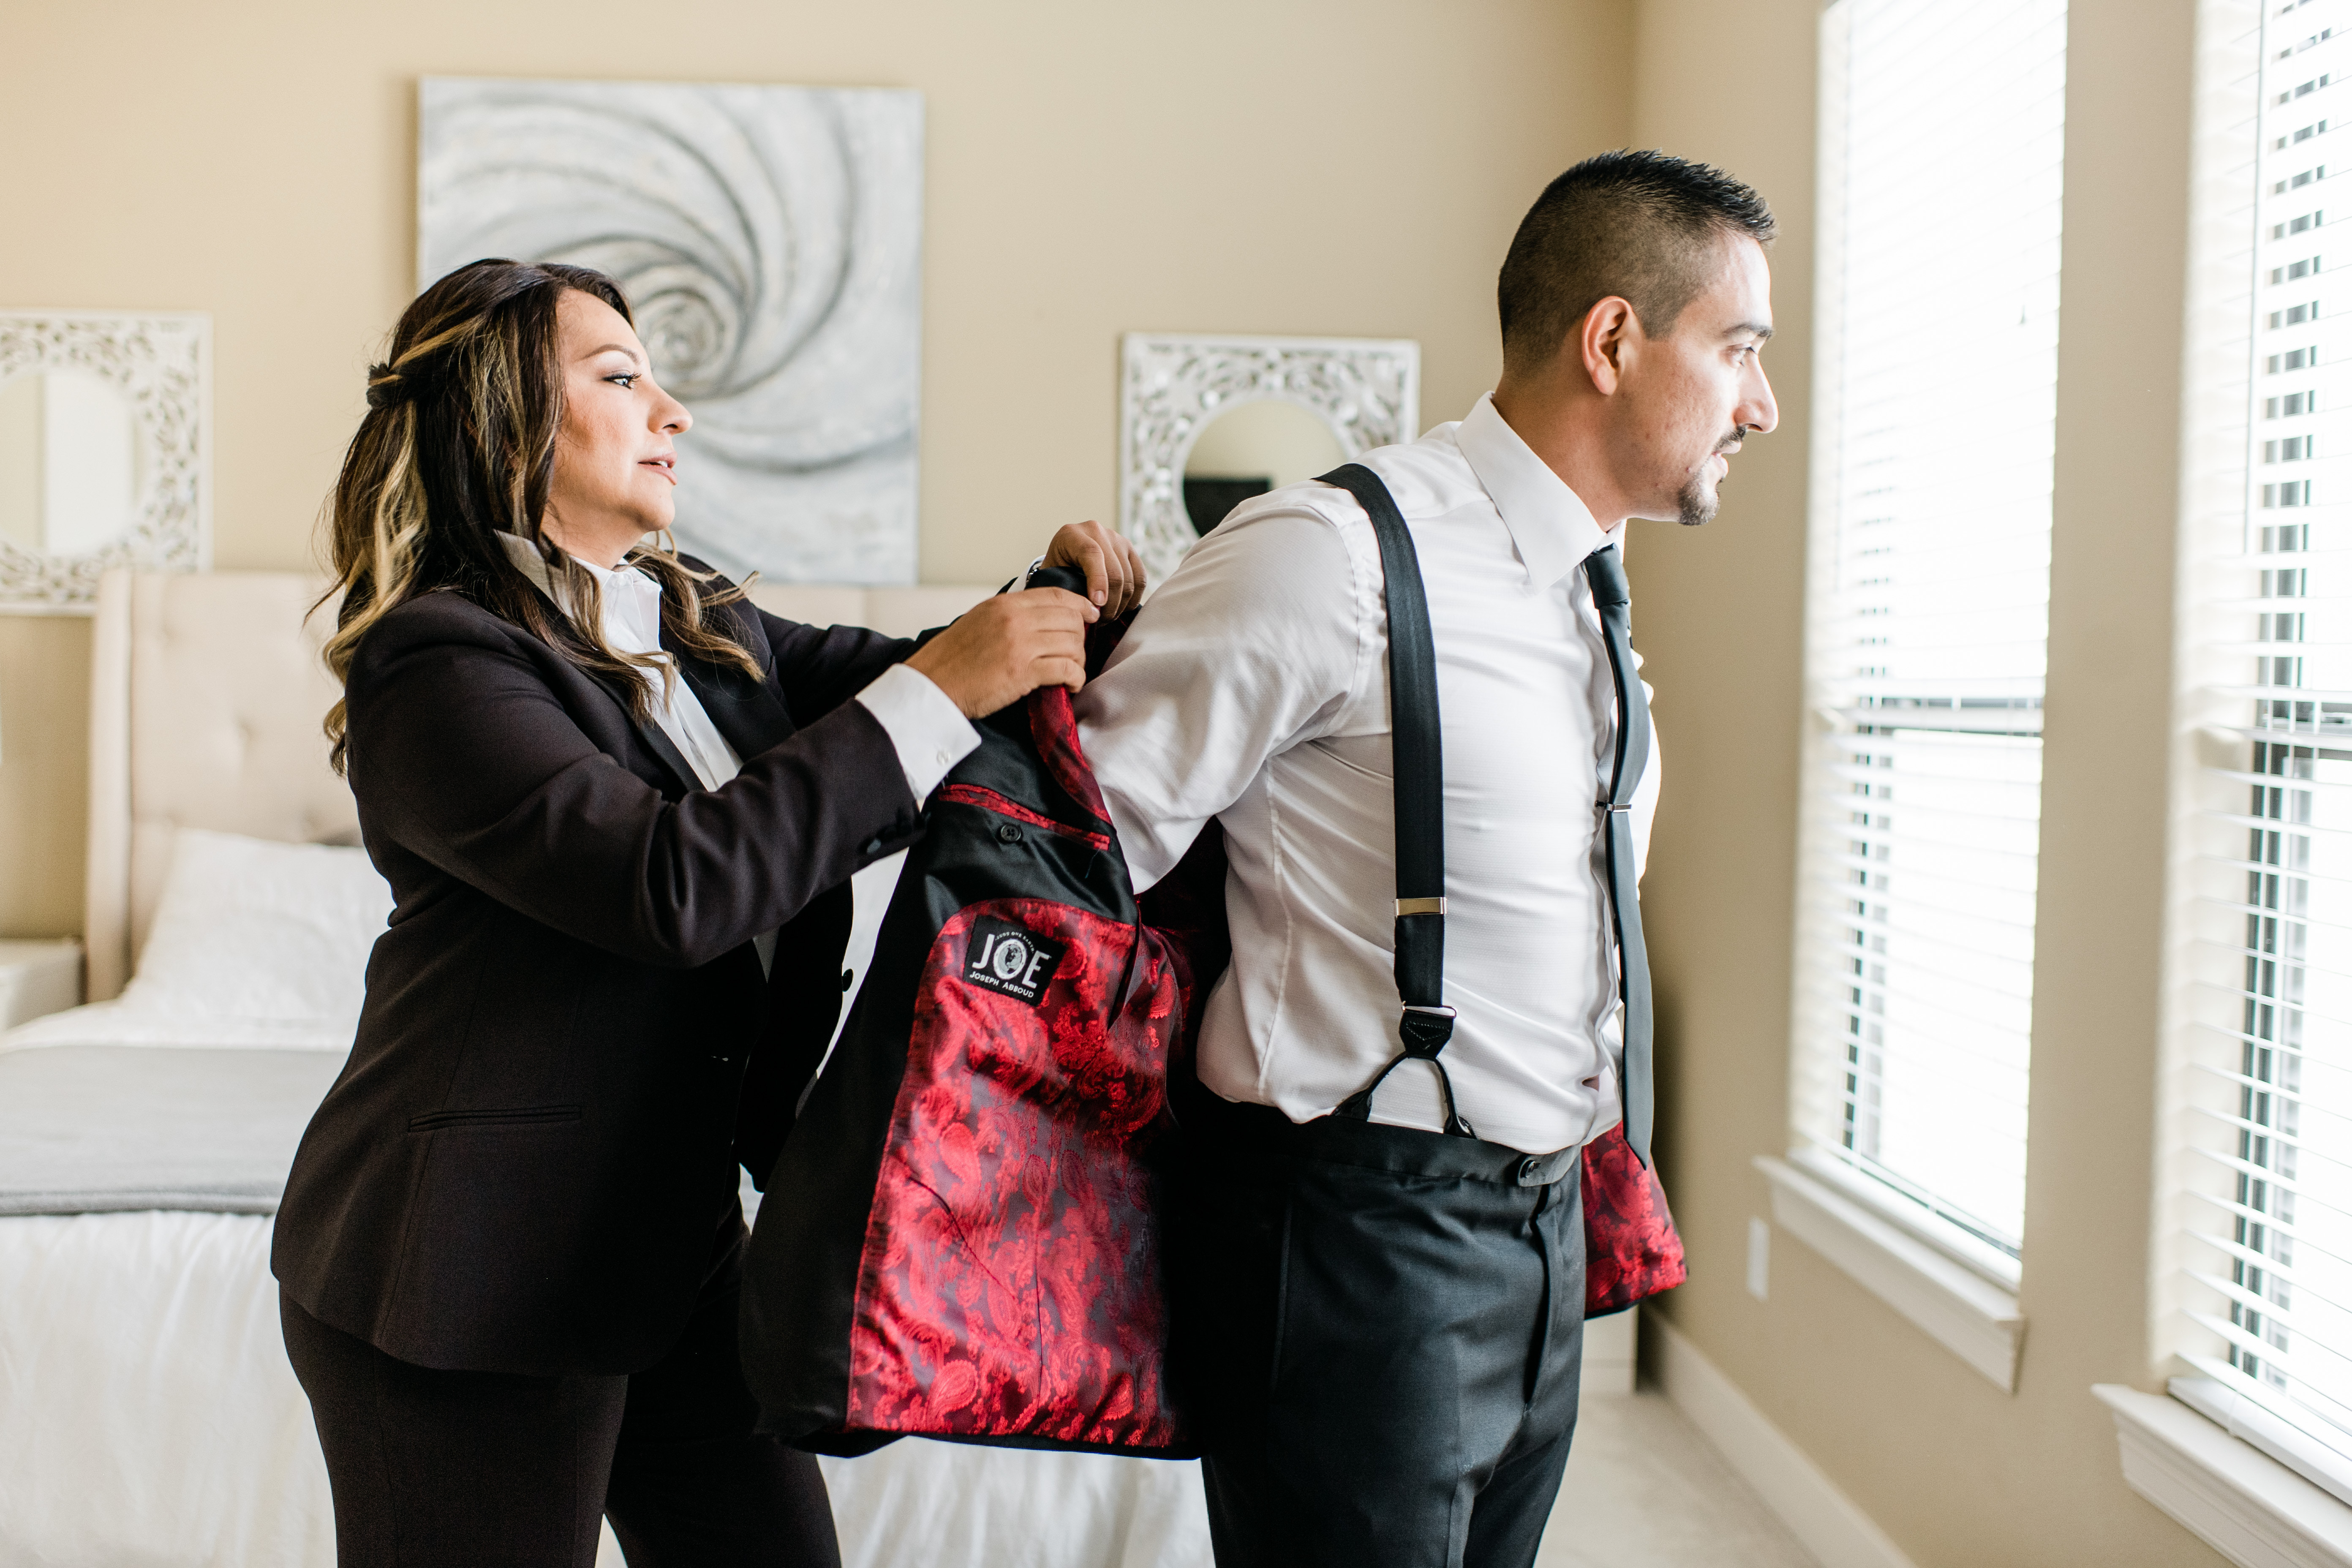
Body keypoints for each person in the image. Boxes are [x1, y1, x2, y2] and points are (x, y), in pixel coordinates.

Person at [271, 258, 1146, 1568]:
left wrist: (1051, 601)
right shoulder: (439, 667)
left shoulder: (695, 613)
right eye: (622, 378)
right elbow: (674, 886)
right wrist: (954, 682)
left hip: (671, 1246)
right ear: (503, 415)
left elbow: (902, 699)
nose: (673, 411)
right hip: (465, 1277)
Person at [1073, 150, 1779, 1566]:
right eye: (1740, 349)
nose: (1760, 404)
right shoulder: (1323, 556)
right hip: (1357, 1238)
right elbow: (1095, 848)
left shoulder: (1591, 594)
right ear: (1614, 340)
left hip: (1543, 1228)